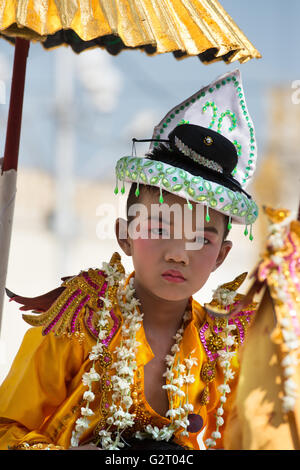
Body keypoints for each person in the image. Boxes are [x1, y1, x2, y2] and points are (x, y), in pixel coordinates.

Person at [0, 69, 259, 451]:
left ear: (222, 256)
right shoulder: (80, 320)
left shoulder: (222, 347)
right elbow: (7, 428)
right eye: (158, 229)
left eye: (201, 239)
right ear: (125, 234)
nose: (177, 253)